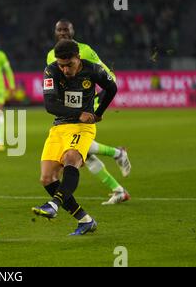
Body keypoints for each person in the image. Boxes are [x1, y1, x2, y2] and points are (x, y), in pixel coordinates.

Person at [32, 40, 117, 235]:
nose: (65, 69)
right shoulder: (51, 71)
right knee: (47, 179)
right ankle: (85, 220)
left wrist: (98, 113)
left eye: (69, 64)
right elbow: (50, 105)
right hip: (59, 128)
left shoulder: (93, 70)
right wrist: (79, 112)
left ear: (78, 57)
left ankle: (53, 205)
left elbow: (112, 88)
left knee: (71, 158)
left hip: (82, 128)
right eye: (61, 65)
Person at [46, 19, 131, 205]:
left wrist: (95, 103)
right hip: (68, 109)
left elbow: (106, 76)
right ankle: (117, 183)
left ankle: (117, 162)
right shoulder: (51, 55)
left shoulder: (84, 51)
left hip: (85, 104)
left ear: (73, 31)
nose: (62, 33)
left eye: (66, 30)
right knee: (82, 155)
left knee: (77, 153)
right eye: (59, 30)